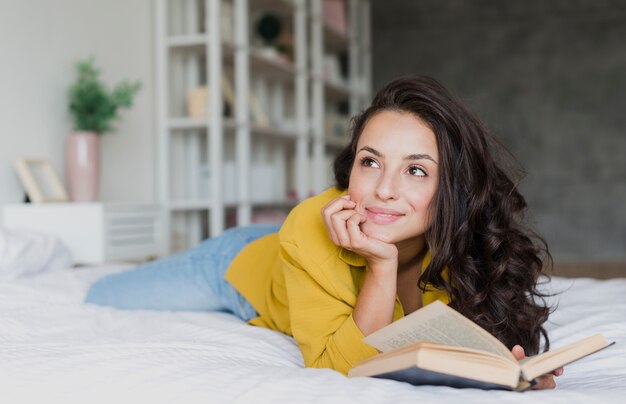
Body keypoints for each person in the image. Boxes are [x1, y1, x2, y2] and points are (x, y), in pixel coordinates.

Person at [86, 75, 561, 389]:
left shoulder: (466, 244)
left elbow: (471, 342)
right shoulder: (310, 228)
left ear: (453, 188)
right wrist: (380, 265)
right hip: (233, 266)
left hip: (277, 244)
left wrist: (515, 368)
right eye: (369, 161)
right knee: (103, 292)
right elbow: (339, 369)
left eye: (415, 170)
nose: (384, 191)